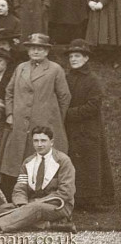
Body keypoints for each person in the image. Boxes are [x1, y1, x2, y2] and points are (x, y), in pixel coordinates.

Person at [0, 33, 71, 197]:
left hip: (43, 124)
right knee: (19, 159)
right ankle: (19, 196)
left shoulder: (54, 69)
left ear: (46, 51)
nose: (36, 51)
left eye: (40, 48)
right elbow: (9, 92)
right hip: (19, 124)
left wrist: (55, 118)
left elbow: (64, 96)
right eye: (32, 48)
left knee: (42, 159)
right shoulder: (21, 68)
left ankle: (41, 196)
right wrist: (10, 113)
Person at [0, 126, 76, 233]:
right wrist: (22, 204)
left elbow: (66, 192)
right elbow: (20, 188)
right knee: (4, 208)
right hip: (31, 205)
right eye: (36, 141)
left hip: (58, 206)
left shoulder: (63, 161)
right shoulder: (28, 162)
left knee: (35, 208)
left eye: (43, 141)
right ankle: (52, 225)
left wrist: (37, 202)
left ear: (51, 142)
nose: (39, 144)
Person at [65, 39, 115, 211]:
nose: (73, 59)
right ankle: (77, 198)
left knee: (91, 163)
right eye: (71, 56)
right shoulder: (67, 78)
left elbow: (94, 105)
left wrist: (69, 114)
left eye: (77, 56)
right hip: (71, 129)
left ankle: (94, 199)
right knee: (74, 163)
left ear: (86, 58)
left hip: (89, 128)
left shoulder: (93, 80)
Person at [86, 0, 121, 66]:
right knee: (97, 32)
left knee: (108, 32)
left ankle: (113, 58)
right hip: (94, 5)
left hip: (109, 6)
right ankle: (101, 56)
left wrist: (102, 2)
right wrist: (89, 2)